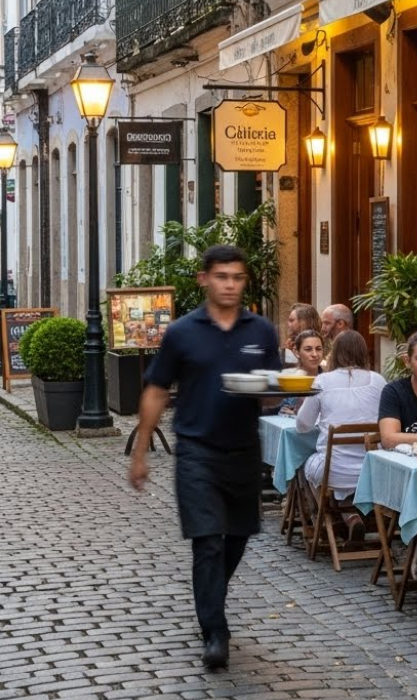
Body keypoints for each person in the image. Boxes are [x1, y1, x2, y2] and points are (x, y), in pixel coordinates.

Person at [127, 244, 283, 670]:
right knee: (208, 541)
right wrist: (140, 454)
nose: (230, 285)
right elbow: (156, 390)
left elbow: (273, 391)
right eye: (222, 277)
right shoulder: (182, 332)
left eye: (237, 277)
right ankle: (215, 631)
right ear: (204, 279)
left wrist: (276, 394)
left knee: (237, 538)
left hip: (245, 450)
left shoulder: (261, 332)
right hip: (196, 450)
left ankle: (209, 598)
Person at [296, 331, 386, 538]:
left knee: (303, 464)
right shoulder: (379, 381)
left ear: (334, 353)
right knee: (340, 472)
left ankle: (328, 520)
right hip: (370, 471)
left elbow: (302, 425)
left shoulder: (322, 381)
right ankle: (351, 517)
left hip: (334, 471)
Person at [277, 330, 323, 416]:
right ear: (297, 352)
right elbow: (283, 411)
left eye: (318, 349)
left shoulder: (329, 380)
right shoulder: (288, 380)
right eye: (308, 349)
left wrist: (297, 413)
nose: (315, 354)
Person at [319, 303, 353, 368]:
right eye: (322, 323)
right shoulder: (330, 343)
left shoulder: (351, 346)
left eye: (327, 323)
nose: (322, 328)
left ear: (340, 324)